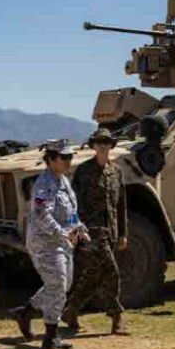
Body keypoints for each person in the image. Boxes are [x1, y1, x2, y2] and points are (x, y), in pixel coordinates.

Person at [12, 139, 86, 349]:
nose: (69, 161)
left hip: (63, 242)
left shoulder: (64, 181)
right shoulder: (44, 184)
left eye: (70, 157)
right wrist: (61, 233)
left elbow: (70, 212)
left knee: (63, 285)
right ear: (51, 160)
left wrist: (80, 227)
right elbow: (41, 214)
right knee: (58, 285)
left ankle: (26, 312)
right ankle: (51, 336)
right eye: (64, 157)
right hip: (45, 243)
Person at [62, 128, 129, 335]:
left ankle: (71, 310)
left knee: (93, 275)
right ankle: (116, 317)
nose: (103, 146)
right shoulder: (84, 171)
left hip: (110, 231)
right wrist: (74, 230)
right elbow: (72, 203)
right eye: (99, 142)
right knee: (112, 272)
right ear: (93, 146)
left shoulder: (116, 171)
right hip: (90, 232)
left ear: (111, 146)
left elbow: (121, 205)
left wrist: (123, 233)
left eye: (107, 142)